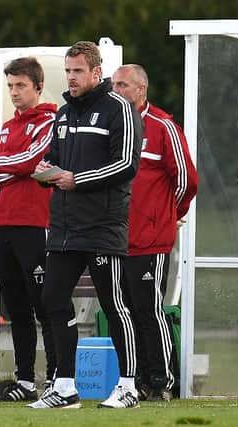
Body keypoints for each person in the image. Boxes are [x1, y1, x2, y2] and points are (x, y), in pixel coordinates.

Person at [28, 41, 142, 409]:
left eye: (78, 71)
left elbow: (125, 165)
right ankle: (64, 386)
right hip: (64, 226)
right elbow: (54, 158)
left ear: (96, 72)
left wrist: (78, 179)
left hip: (103, 226)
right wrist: (44, 170)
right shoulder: (63, 114)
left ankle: (128, 386)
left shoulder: (119, 110)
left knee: (113, 303)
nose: (71, 78)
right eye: (68, 71)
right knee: (52, 300)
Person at [112, 64, 198, 401]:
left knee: (149, 309)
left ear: (141, 89)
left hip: (149, 239)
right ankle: (137, 380)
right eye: (114, 85)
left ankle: (163, 381)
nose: (116, 91)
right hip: (114, 238)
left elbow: (186, 181)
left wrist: (165, 216)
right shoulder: (112, 126)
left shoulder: (163, 127)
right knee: (125, 312)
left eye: (123, 85)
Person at [0, 57, 57, 402]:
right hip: (3, 224)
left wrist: (10, 165)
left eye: (21, 86)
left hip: (36, 224)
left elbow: (33, 161)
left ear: (38, 87)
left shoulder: (51, 121)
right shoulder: (4, 128)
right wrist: (13, 166)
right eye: (11, 86)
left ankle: (60, 378)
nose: (14, 92)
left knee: (46, 305)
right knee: (16, 308)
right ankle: (26, 381)